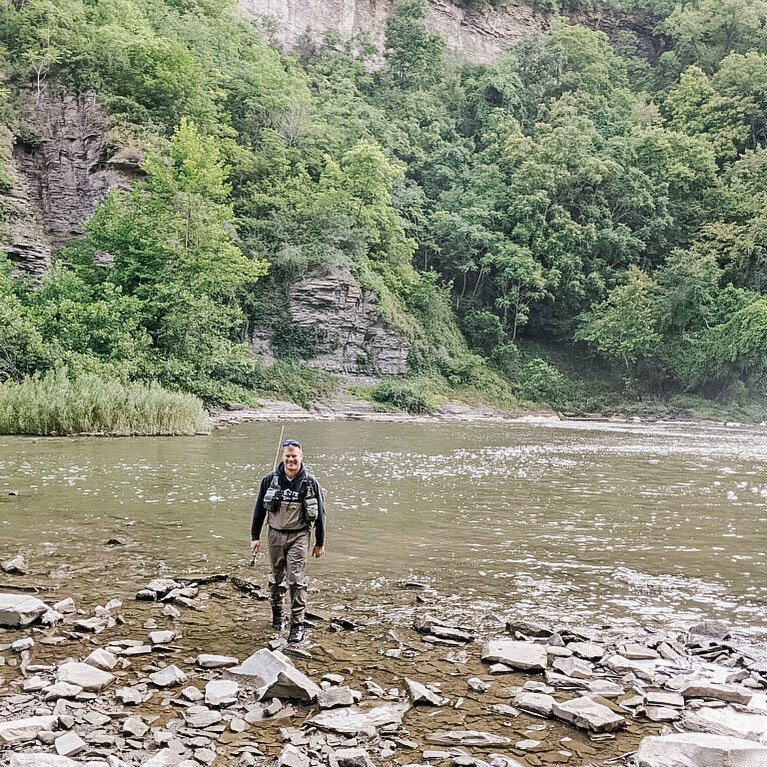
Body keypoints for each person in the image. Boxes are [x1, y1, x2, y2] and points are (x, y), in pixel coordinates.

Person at [250, 439, 326, 643]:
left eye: (294, 456)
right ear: (283, 457)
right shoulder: (269, 480)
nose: (291, 460)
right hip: (274, 534)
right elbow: (259, 509)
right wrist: (255, 536)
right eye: (288, 456)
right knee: (276, 578)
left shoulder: (310, 482)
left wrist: (320, 542)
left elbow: (321, 514)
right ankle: (277, 615)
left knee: (296, 580)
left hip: (300, 536)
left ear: (301, 457)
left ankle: (297, 625)